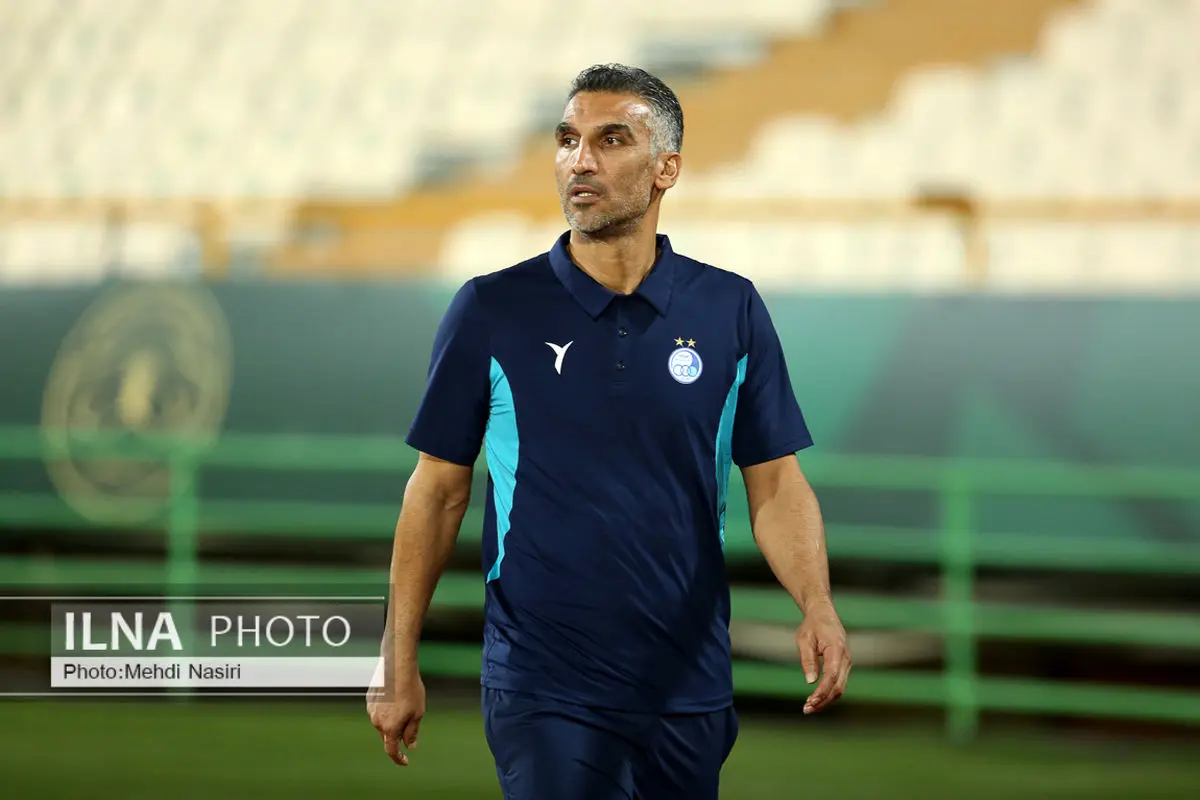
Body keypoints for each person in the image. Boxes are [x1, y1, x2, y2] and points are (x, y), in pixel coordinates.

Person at [368, 63, 851, 799]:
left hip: (688, 686)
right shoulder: (492, 309)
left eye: (611, 140)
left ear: (666, 169)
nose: (580, 160)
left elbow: (777, 484)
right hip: (543, 684)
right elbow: (436, 492)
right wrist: (396, 654)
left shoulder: (731, 309)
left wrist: (817, 603)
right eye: (567, 140)